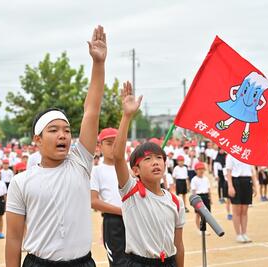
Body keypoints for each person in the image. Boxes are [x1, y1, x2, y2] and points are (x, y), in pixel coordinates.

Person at [6, 25, 107, 267]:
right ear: (37, 139)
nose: (63, 135)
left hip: (82, 263)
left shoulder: (80, 163)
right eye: (53, 130)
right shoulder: (21, 182)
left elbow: (91, 111)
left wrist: (98, 64)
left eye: (67, 130)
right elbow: (13, 238)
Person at [113, 81, 185, 267]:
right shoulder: (131, 192)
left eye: (159, 158)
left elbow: (178, 244)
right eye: (148, 159)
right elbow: (118, 157)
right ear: (135, 170)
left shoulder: (176, 202)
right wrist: (127, 116)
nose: (155, 162)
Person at [90, 128, 127, 267]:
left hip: (135, 220)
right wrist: (121, 211)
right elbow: (93, 201)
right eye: (109, 143)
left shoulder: (130, 168)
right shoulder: (96, 171)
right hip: (114, 223)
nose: (114, 147)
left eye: (117, 143)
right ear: (99, 146)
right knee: (118, 263)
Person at [226, 154, 257, 243]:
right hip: (236, 181)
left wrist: (255, 185)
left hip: (247, 182)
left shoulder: (248, 153)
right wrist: (230, 186)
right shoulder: (231, 154)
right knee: (237, 211)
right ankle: (238, 234)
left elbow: (252, 171)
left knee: (244, 210)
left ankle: (244, 233)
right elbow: (228, 172)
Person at [190, 162, 211, 235]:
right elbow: (193, 191)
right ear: (195, 170)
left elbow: (208, 189)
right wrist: (195, 201)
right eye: (199, 169)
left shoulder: (206, 178)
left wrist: (209, 198)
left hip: (205, 196)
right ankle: (199, 229)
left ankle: (204, 229)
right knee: (198, 214)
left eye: (202, 169)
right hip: (198, 197)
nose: (201, 171)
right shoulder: (194, 179)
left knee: (206, 214)